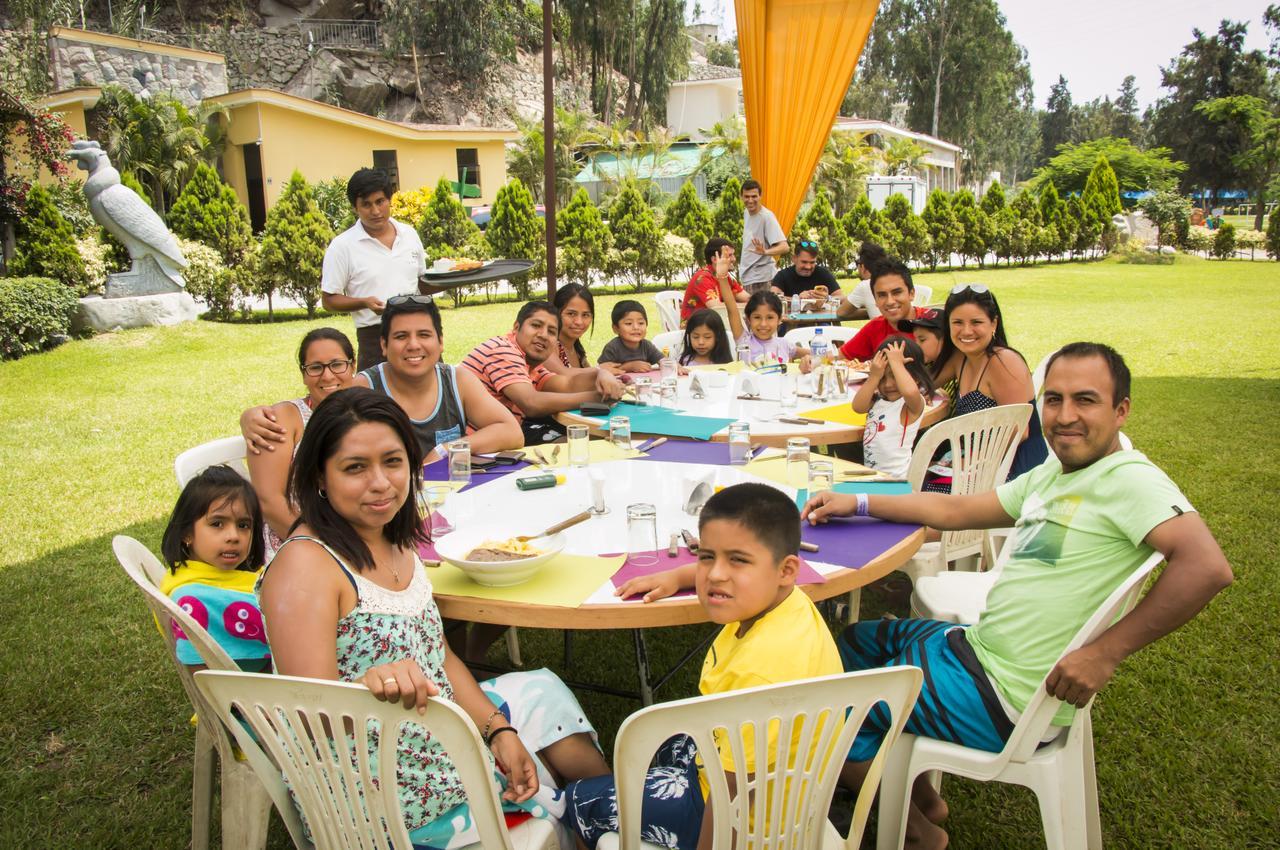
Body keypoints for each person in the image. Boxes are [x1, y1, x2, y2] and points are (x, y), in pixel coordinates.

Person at [802, 342, 1232, 850]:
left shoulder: (1129, 480)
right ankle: (919, 796)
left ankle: (918, 833)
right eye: (1053, 400)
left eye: (1085, 400)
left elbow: (1207, 566)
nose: (1065, 416)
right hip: (977, 651)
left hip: (1007, 695)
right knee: (853, 642)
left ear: (1121, 411)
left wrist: (1103, 653)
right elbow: (959, 511)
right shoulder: (1062, 471)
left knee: (830, 703)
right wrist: (860, 501)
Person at [258, 387, 611, 848]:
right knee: (539, 798)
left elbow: (439, 657)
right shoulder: (306, 567)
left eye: (393, 461)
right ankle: (592, 819)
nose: (381, 483)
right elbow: (310, 718)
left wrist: (497, 728)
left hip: (428, 724)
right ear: (320, 478)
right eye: (354, 468)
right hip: (382, 787)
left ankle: (608, 812)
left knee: (541, 689)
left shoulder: (391, 538)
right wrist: (369, 685)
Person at [567, 483, 842, 849]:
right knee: (656, 744)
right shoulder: (781, 602)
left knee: (578, 802)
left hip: (747, 822)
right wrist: (677, 577)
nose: (714, 575)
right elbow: (723, 575)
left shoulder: (760, 674)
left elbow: (733, 797)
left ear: (786, 569)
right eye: (707, 556)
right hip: (767, 781)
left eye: (738, 560)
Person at [242, 299, 523, 466]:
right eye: (401, 337)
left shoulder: (456, 379)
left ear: (440, 342)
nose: (413, 345)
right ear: (384, 345)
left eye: (424, 335)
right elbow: (315, 416)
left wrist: (446, 449)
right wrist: (251, 416)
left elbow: (511, 431)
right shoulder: (365, 388)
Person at [243, 328, 357, 555]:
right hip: (296, 538)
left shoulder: (364, 411)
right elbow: (269, 501)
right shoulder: (284, 419)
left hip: (357, 532)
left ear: (352, 366)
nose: (327, 376)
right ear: (304, 374)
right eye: (316, 367)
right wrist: (323, 549)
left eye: (337, 364)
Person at [926, 284, 1047, 490]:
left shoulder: (1002, 361)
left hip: (1013, 466)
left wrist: (968, 463)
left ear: (993, 324)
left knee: (926, 491)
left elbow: (1018, 431)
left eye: (976, 322)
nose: (966, 331)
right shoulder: (961, 358)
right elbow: (924, 384)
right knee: (912, 478)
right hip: (976, 459)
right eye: (957, 323)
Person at [461, 300, 625, 444]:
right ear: (516, 327)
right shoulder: (502, 350)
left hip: (495, 440)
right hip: (465, 447)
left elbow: (568, 384)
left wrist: (602, 375)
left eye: (552, 332)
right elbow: (532, 403)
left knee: (588, 442)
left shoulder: (531, 365)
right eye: (536, 325)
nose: (543, 335)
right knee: (582, 445)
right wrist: (597, 397)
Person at [159, 465, 271, 672]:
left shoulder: (224, 576)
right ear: (187, 533)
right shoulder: (191, 599)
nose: (233, 536)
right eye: (218, 523)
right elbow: (206, 679)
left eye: (243, 525)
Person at [320, 168, 428, 371]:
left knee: (432, 396)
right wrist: (364, 302)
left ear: (390, 200)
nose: (376, 211)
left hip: (418, 330)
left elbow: (421, 282)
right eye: (366, 205)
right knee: (378, 401)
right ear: (355, 207)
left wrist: (457, 277)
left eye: (380, 201)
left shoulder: (409, 234)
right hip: (374, 337)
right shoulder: (343, 246)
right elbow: (329, 300)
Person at [852, 338, 935, 479]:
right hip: (875, 479)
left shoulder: (910, 405)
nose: (888, 384)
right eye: (883, 378)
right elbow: (858, 407)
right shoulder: (878, 401)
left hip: (898, 482)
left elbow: (910, 391)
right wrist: (874, 376)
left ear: (916, 377)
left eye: (894, 376)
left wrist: (897, 364)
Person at [838, 258, 923, 363]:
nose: (890, 301)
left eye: (896, 292)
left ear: (911, 294)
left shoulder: (931, 322)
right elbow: (840, 356)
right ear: (875, 300)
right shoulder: (875, 327)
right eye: (882, 295)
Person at [547, 283, 615, 374]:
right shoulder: (549, 345)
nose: (579, 322)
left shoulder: (577, 348)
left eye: (585, 315)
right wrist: (599, 369)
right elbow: (563, 374)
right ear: (556, 313)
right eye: (571, 314)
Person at [736, 291, 812, 372]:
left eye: (770, 317)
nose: (763, 324)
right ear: (748, 319)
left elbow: (817, 356)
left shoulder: (784, 344)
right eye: (757, 317)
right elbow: (731, 309)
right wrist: (724, 279)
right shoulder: (744, 343)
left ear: (779, 319)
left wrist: (808, 361)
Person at [738, 179, 789, 294]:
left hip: (763, 280)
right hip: (748, 278)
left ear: (760, 196)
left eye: (754, 196)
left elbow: (784, 247)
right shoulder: (747, 212)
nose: (750, 200)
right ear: (741, 196)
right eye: (746, 196)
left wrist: (765, 252)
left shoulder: (767, 217)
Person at [681, 238, 748, 323]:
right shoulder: (703, 278)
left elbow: (747, 298)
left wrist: (765, 299)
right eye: (729, 255)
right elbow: (717, 308)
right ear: (715, 259)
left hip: (712, 324)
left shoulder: (725, 277)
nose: (734, 259)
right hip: (695, 329)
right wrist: (747, 306)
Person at [598, 300, 663, 372]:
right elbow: (601, 371)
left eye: (641, 323)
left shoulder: (646, 345)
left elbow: (663, 361)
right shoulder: (612, 348)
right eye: (628, 323)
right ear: (616, 328)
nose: (636, 327)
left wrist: (673, 365)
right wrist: (629, 367)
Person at [770, 239, 841, 300]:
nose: (808, 267)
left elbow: (841, 297)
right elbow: (772, 298)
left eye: (812, 262)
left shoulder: (823, 273)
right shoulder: (783, 275)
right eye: (804, 262)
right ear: (794, 258)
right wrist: (797, 299)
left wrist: (828, 298)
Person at [835, 241, 887, 322]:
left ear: (862, 266)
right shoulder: (897, 281)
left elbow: (841, 312)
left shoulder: (865, 285)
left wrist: (867, 310)